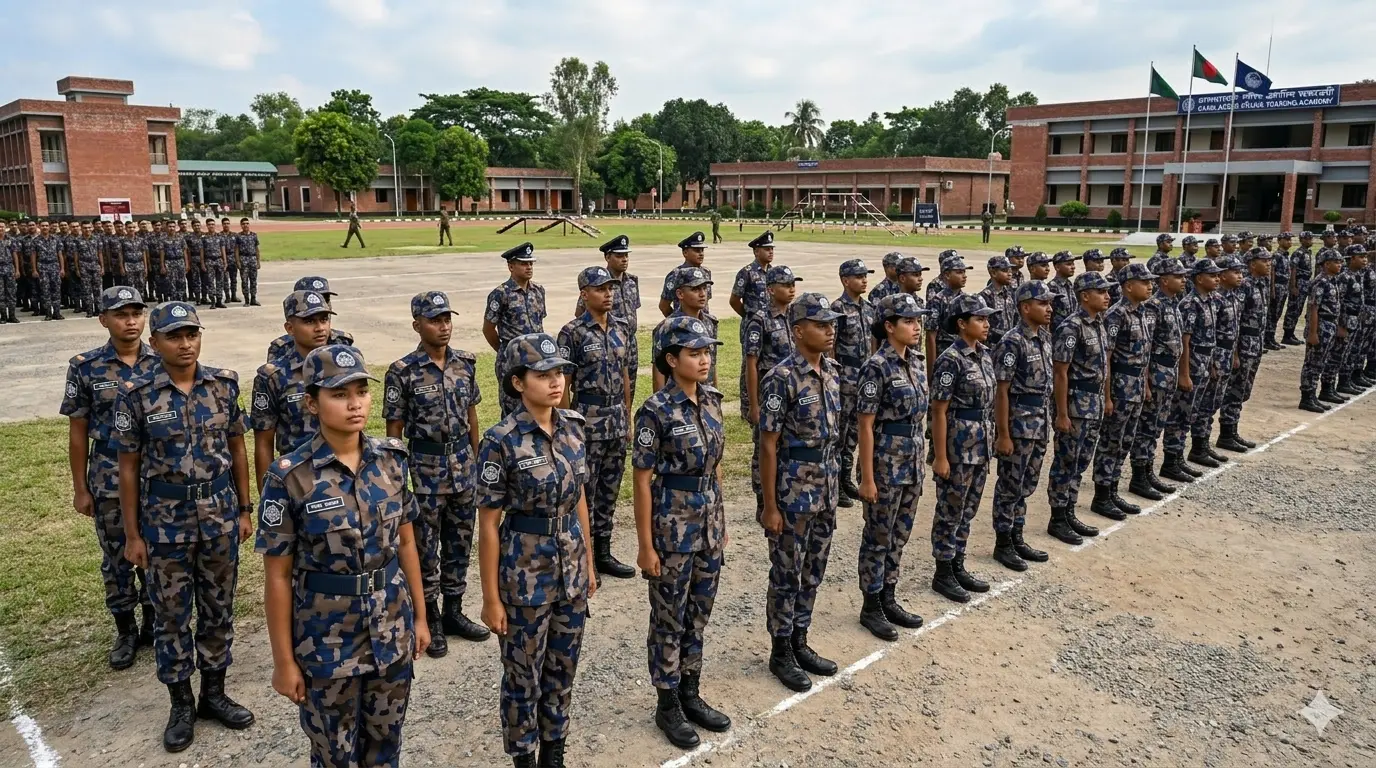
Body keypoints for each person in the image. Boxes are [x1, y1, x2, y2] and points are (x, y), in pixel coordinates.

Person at [257, 344, 428, 767]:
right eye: (339, 394)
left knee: (386, 744)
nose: (355, 404)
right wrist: (284, 662)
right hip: (326, 640)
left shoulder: (391, 460)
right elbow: (277, 576)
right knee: (334, 753)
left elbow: (406, 544)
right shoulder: (289, 476)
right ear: (311, 403)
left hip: (390, 628)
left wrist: (421, 618)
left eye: (360, 391)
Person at [112, 301, 255, 752]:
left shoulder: (223, 385)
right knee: (172, 616)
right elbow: (129, 468)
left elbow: (237, 448)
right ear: (155, 343)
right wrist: (133, 535)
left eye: (192, 333)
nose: (185, 343)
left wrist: (246, 508)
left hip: (218, 516)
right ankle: (180, 703)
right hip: (164, 524)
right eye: (174, 336)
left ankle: (213, 694)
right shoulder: (135, 395)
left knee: (218, 608)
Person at [476, 333, 597, 768]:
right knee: (523, 676)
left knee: (562, 670)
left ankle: (554, 754)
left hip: (571, 569)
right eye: (542, 374)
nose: (555, 381)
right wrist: (491, 599)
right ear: (517, 383)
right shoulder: (500, 440)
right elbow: (488, 525)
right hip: (524, 575)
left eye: (559, 372)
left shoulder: (574, 426)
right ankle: (523, 758)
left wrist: (589, 563)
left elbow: (580, 494)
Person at [632, 315, 730, 748]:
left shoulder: (711, 400)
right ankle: (667, 702)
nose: (704, 359)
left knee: (698, 614)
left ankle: (690, 692)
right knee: (669, 618)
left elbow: (716, 466)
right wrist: (646, 546)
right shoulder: (655, 411)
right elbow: (641, 480)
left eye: (707, 351)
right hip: (672, 530)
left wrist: (721, 522)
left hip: (708, 526)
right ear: (671, 360)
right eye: (694, 352)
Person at [384, 291, 489, 658]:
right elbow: (393, 429)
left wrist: (477, 462)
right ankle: (430, 618)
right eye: (434, 320)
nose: (443, 326)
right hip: (425, 473)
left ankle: (454, 610)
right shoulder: (403, 371)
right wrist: (398, 480)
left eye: (447, 319)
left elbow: (472, 415)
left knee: (459, 544)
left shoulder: (466, 362)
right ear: (417, 325)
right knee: (427, 550)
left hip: (463, 468)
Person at [61, 287, 157, 669]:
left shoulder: (161, 359)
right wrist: (80, 487)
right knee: (117, 555)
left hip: (156, 474)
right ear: (103, 319)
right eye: (121, 314)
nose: (130, 321)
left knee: (155, 550)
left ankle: (153, 622)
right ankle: (125, 629)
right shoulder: (86, 366)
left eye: (136, 312)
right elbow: (78, 430)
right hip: (109, 476)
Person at [757, 293, 842, 693]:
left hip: (825, 485)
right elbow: (768, 444)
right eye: (821, 325)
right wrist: (770, 504)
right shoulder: (781, 377)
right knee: (787, 571)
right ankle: (780, 650)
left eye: (831, 324)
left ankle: (799, 638)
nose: (829, 330)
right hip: (794, 490)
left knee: (814, 567)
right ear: (798, 331)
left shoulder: (831, 371)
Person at [854, 293, 929, 638]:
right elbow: (865, 425)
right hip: (885, 461)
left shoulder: (916, 361)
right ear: (889, 326)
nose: (916, 327)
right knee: (879, 536)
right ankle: (871, 606)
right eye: (909, 321)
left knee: (899, 534)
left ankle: (888, 596)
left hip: (912, 460)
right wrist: (867, 477)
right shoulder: (876, 367)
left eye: (918, 321)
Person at [559, 266, 635, 582]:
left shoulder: (621, 327)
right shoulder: (572, 333)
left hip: (616, 421)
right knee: (584, 493)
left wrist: (628, 417)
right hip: (586, 423)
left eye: (610, 288)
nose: (608, 294)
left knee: (609, 490)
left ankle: (603, 553)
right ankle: (584, 557)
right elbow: (564, 383)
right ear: (584, 294)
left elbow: (626, 374)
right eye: (601, 289)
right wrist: (566, 429)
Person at [929, 294, 998, 602]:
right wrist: (941, 456)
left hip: (981, 444)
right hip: (959, 446)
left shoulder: (984, 354)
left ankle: (958, 564)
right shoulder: (950, 360)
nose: (986, 324)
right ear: (961, 324)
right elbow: (939, 410)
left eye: (987, 319)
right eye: (980, 319)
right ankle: (943, 573)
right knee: (950, 509)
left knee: (968, 508)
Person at [990, 281, 1055, 566]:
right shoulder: (1012, 341)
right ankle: (1003, 543)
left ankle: (1017, 535)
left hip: (1039, 423)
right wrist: (1003, 434)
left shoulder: (1044, 337)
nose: (1049, 308)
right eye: (1043, 303)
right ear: (1025, 307)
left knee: (1026, 484)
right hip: (1018, 426)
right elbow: (1001, 390)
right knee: (1010, 485)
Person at [1046, 272, 1111, 541]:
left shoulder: (1098, 323)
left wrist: (1105, 398)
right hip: (1075, 405)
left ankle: (1069, 510)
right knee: (1066, 461)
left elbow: (1104, 366)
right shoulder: (1071, 327)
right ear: (1085, 296)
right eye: (1101, 291)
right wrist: (1061, 413)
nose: (1107, 296)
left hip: (1093, 403)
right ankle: (1058, 518)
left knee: (1081, 460)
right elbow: (1060, 372)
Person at [1089, 264, 1155, 519]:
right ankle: (1102, 495)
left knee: (1125, 441)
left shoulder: (1141, 312)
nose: (1150, 286)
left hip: (1136, 387)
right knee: (1111, 442)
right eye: (1144, 281)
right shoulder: (1116, 315)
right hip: (1120, 388)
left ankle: (1113, 490)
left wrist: (1146, 384)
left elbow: (1145, 353)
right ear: (1128, 286)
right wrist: (1106, 397)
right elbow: (1107, 359)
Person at [252, 290, 335, 491]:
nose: (320, 328)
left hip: (342, 472)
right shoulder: (273, 376)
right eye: (309, 322)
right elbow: (264, 441)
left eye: (324, 319)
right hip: (297, 476)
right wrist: (267, 492)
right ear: (290, 328)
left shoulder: (341, 367)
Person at [743, 265, 799, 518]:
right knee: (763, 446)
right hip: (768, 394)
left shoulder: (796, 317)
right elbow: (751, 363)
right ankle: (762, 499)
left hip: (791, 393)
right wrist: (754, 405)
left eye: (793, 284)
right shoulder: (760, 320)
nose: (791, 289)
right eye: (786, 285)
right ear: (770, 289)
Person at [1134, 260, 1192, 487]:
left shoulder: (1173, 304)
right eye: (1178, 276)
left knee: (1157, 424)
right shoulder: (1154, 306)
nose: (1183, 279)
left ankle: (1148, 471)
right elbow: (1145, 346)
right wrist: (1146, 382)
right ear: (1165, 280)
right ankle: (1139, 476)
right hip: (1156, 373)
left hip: (1168, 372)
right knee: (1147, 426)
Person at [1169, 259, 1226, 474]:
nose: (1217, 278)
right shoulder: (1190, 304)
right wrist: (1184, 373)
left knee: (1196, 411)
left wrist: (1211, 363)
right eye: (1212, 275)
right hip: (1192, 364)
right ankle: (1172, 460)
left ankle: (1185, 454)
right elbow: (1185, 340)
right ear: (1200, 278)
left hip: (1205, 361)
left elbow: (1210, 337)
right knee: (1181, 414)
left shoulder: (1210, 300)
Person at [576, 235, 643, 411]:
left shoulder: (632, 281)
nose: (625, 259)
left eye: (626, 255)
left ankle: (624, 421)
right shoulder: (595, 283)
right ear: (607, 257)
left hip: (628, 341)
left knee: (628, 385)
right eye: (619, 256)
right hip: (603, 341)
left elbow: (633, 310)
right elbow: (580, 313)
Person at [830, 258, 877, 508]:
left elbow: (873, 344)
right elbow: (831, 347)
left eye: (865, 276)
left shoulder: (869, 309)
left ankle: (846, 478)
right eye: (859, 276)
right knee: (840, 430)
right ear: (845, 280)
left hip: (863, 377)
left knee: (855, 433)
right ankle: (835, 482)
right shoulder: (837, 308)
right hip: (844, 376)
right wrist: (833, 378)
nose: (864, 280)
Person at [484, 242, 548, 418]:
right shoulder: (500, 294)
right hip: (511, 360)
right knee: (512, 408)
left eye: (530, 263)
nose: (529, 267)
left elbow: (539, 323)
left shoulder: (539, 291)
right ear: (511, 266)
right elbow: (488, 329)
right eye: (523, 263)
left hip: (536, 358)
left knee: (536, 404)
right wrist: (506, 350)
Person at [1218, 248, 1272, 442]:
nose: (1268, 263)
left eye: (1269, 260)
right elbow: (1236, 321)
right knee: (1236, 389)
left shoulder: (1261, 283)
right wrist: (1235, 353)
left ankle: (1232, 429)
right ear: (1252, 263)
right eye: (1263, 260)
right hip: (1243, 345)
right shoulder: (1245, 286)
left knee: (1244, 389)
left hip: (1255, 343)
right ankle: (1227, 432)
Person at [1194, 255, 1244, 457]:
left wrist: (1235, 354)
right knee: (1206, 403)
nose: (1240, 276)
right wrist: (1212, 363)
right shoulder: (1215, 301)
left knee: (1215, 401)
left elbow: (1234, 330)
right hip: (1213, 357)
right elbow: (1210, 334)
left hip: (1226, 353)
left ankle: (1206, 443)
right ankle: (1199, 446)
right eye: (1235, 272)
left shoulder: (1230, 298)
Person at [651, 266, 720, 392]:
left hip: (706, 395)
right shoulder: (667, 327)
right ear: (680, 294)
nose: (702, 294)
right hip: (678, 398)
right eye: (695, 289)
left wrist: (715, 394)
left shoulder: (710, 323)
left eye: (704, 288)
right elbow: (659, 372)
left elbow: (713, 364)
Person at [265, 277, 355, 361]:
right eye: (309, 321)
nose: (320, 304)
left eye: (326, 299)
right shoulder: (281, 347)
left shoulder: (342, 340)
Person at [1330, 245, 1367, 397]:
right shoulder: (1344, 277)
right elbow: (1339, 302)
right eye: (1361, 257)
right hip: (1345, 322)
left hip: (1355, 320)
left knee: (1351, 353)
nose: (1365, 260)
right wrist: (1340, 325)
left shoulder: (1358, 275)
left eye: (1365, 256)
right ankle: (1329, 387)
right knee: (1338, 355)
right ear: (1351, 258)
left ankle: (1345, 381)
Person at [926, 252, 969, 364]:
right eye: (959, 272)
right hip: (944, 355)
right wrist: (932, 369)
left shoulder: (966, 299)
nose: (964, 276)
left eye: (964, 272)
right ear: (947, 275)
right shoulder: (937, 300)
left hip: (964, 354)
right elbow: (931, 336)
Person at [660, 231, 712, 316]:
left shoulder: (706, 273)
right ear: (685, 253)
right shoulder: (675, 274)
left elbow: (706, 302)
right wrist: (676, 321)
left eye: (702, 250)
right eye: (696, 250)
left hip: (703, 325)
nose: (701, 254)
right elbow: (664, 306)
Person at [1283, 231, 1315, 346]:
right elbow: (1293, 269)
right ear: (1302, 240)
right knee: (1293, 308)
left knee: (1299, 309)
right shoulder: (1298, 253)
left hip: (1306, 282)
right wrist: (1293, 286)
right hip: (1299, 282)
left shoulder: (1307, 252)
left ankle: (1291, 333)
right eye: (1307, 238)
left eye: (1311, 238)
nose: (1310, 240)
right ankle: (1287, 334)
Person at [978, 255, 1016, 347]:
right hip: (991, 347)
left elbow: (1015, 318)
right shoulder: (984, 297)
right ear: (993, 273)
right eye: (1005, 271)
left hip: (1010, 344)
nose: (1009, 274)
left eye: (1010, 270)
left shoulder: (1010, 294)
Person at [30, 220, 64, 320]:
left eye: (46, 225)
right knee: (45, 291)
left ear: (49, 227)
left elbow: (60, 254)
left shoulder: (56, 239)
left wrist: (62, 268)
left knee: (56, 290)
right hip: (43, 267)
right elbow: (33, 256)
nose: (45, 227)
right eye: (43, 226)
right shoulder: (35, 241)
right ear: (39, 227)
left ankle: (57, 313)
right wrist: (34, 270)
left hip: (54, 266)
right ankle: (48, 313)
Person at [1268, 232, 1292, 350]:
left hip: (1284, 287)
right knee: (1273, 313)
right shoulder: (1276, 255)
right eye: (1287, 239)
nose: (1289, 242)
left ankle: (1271, 338)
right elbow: (1271, 272)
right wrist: (1272, 289)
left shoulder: (1286, 255)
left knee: (1277, 314)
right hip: (1277, 286)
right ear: (1280, 241)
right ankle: (1268, 338)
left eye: (1290, 240)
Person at [1048, 251, 1078, 331]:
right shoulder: (1051, 287)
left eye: (1073, 264)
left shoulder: (1069, 284)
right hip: (1058, 332)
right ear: (1057, 267)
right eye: (1068, 264)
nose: (1073, 267)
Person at [234, 218, 261, 306]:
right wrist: (238, 261)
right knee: (244, 281)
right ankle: (246, 300)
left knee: (253, 280)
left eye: (247, 223)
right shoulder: (238, 236)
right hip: (243, 259)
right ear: (241, 225)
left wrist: (258, 261)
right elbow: (236, 249)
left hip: (252, 259)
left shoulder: (254, 235)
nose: (245, 225)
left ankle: (253, 299)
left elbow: (257, 249)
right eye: (243, 224)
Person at [218, 218, 239, 304]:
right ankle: (227, 296)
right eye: (224, 223)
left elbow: (238, 248)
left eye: (227, 223)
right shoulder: (219, 235)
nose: (226, 225)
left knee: (233, 279)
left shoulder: (235, 235)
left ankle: (234, 295)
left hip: (233, 258)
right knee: (225, 279)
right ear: (222, 225)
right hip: (223, 259)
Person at [0, 224, 16, 323]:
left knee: (11, 293)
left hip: (9, 267)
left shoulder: (11, 239)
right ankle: (3, 317)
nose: (0, 229)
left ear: (5, 228)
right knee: (0, 294)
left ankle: (12, 316)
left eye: (2, 227)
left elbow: (15, 254)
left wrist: (17, 269)